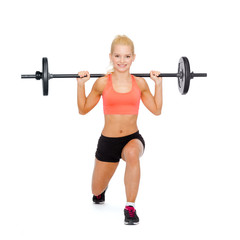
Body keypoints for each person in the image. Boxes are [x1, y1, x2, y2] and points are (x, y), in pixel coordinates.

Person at [77, 35, 162, 225]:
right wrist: (80, 85)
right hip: (108, 142)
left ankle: (130, 207)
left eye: (126, 56)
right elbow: (83, 110)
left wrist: (158, 85)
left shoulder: (140, 83)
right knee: (95, 190)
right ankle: (102, 190)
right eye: (117, 56)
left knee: (132, 152)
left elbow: (156, 110)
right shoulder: (102, 83)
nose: (122, 61)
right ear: (110, 57)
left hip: (132, 138)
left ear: (133, 58)